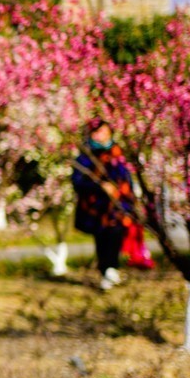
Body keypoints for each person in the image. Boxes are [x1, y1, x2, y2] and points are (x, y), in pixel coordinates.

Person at [71, 118, 135, 291]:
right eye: (98, 132)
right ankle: (106, 270)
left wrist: (129, 197)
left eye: (106, 132)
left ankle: (111, 268)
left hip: (118, 205)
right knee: (102, 237)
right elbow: (78, 182)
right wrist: (100, 187)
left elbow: (127, 177)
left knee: (116, 234)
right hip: (96, 207)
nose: (103, 136)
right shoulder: (85, 156)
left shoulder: (118, 153)